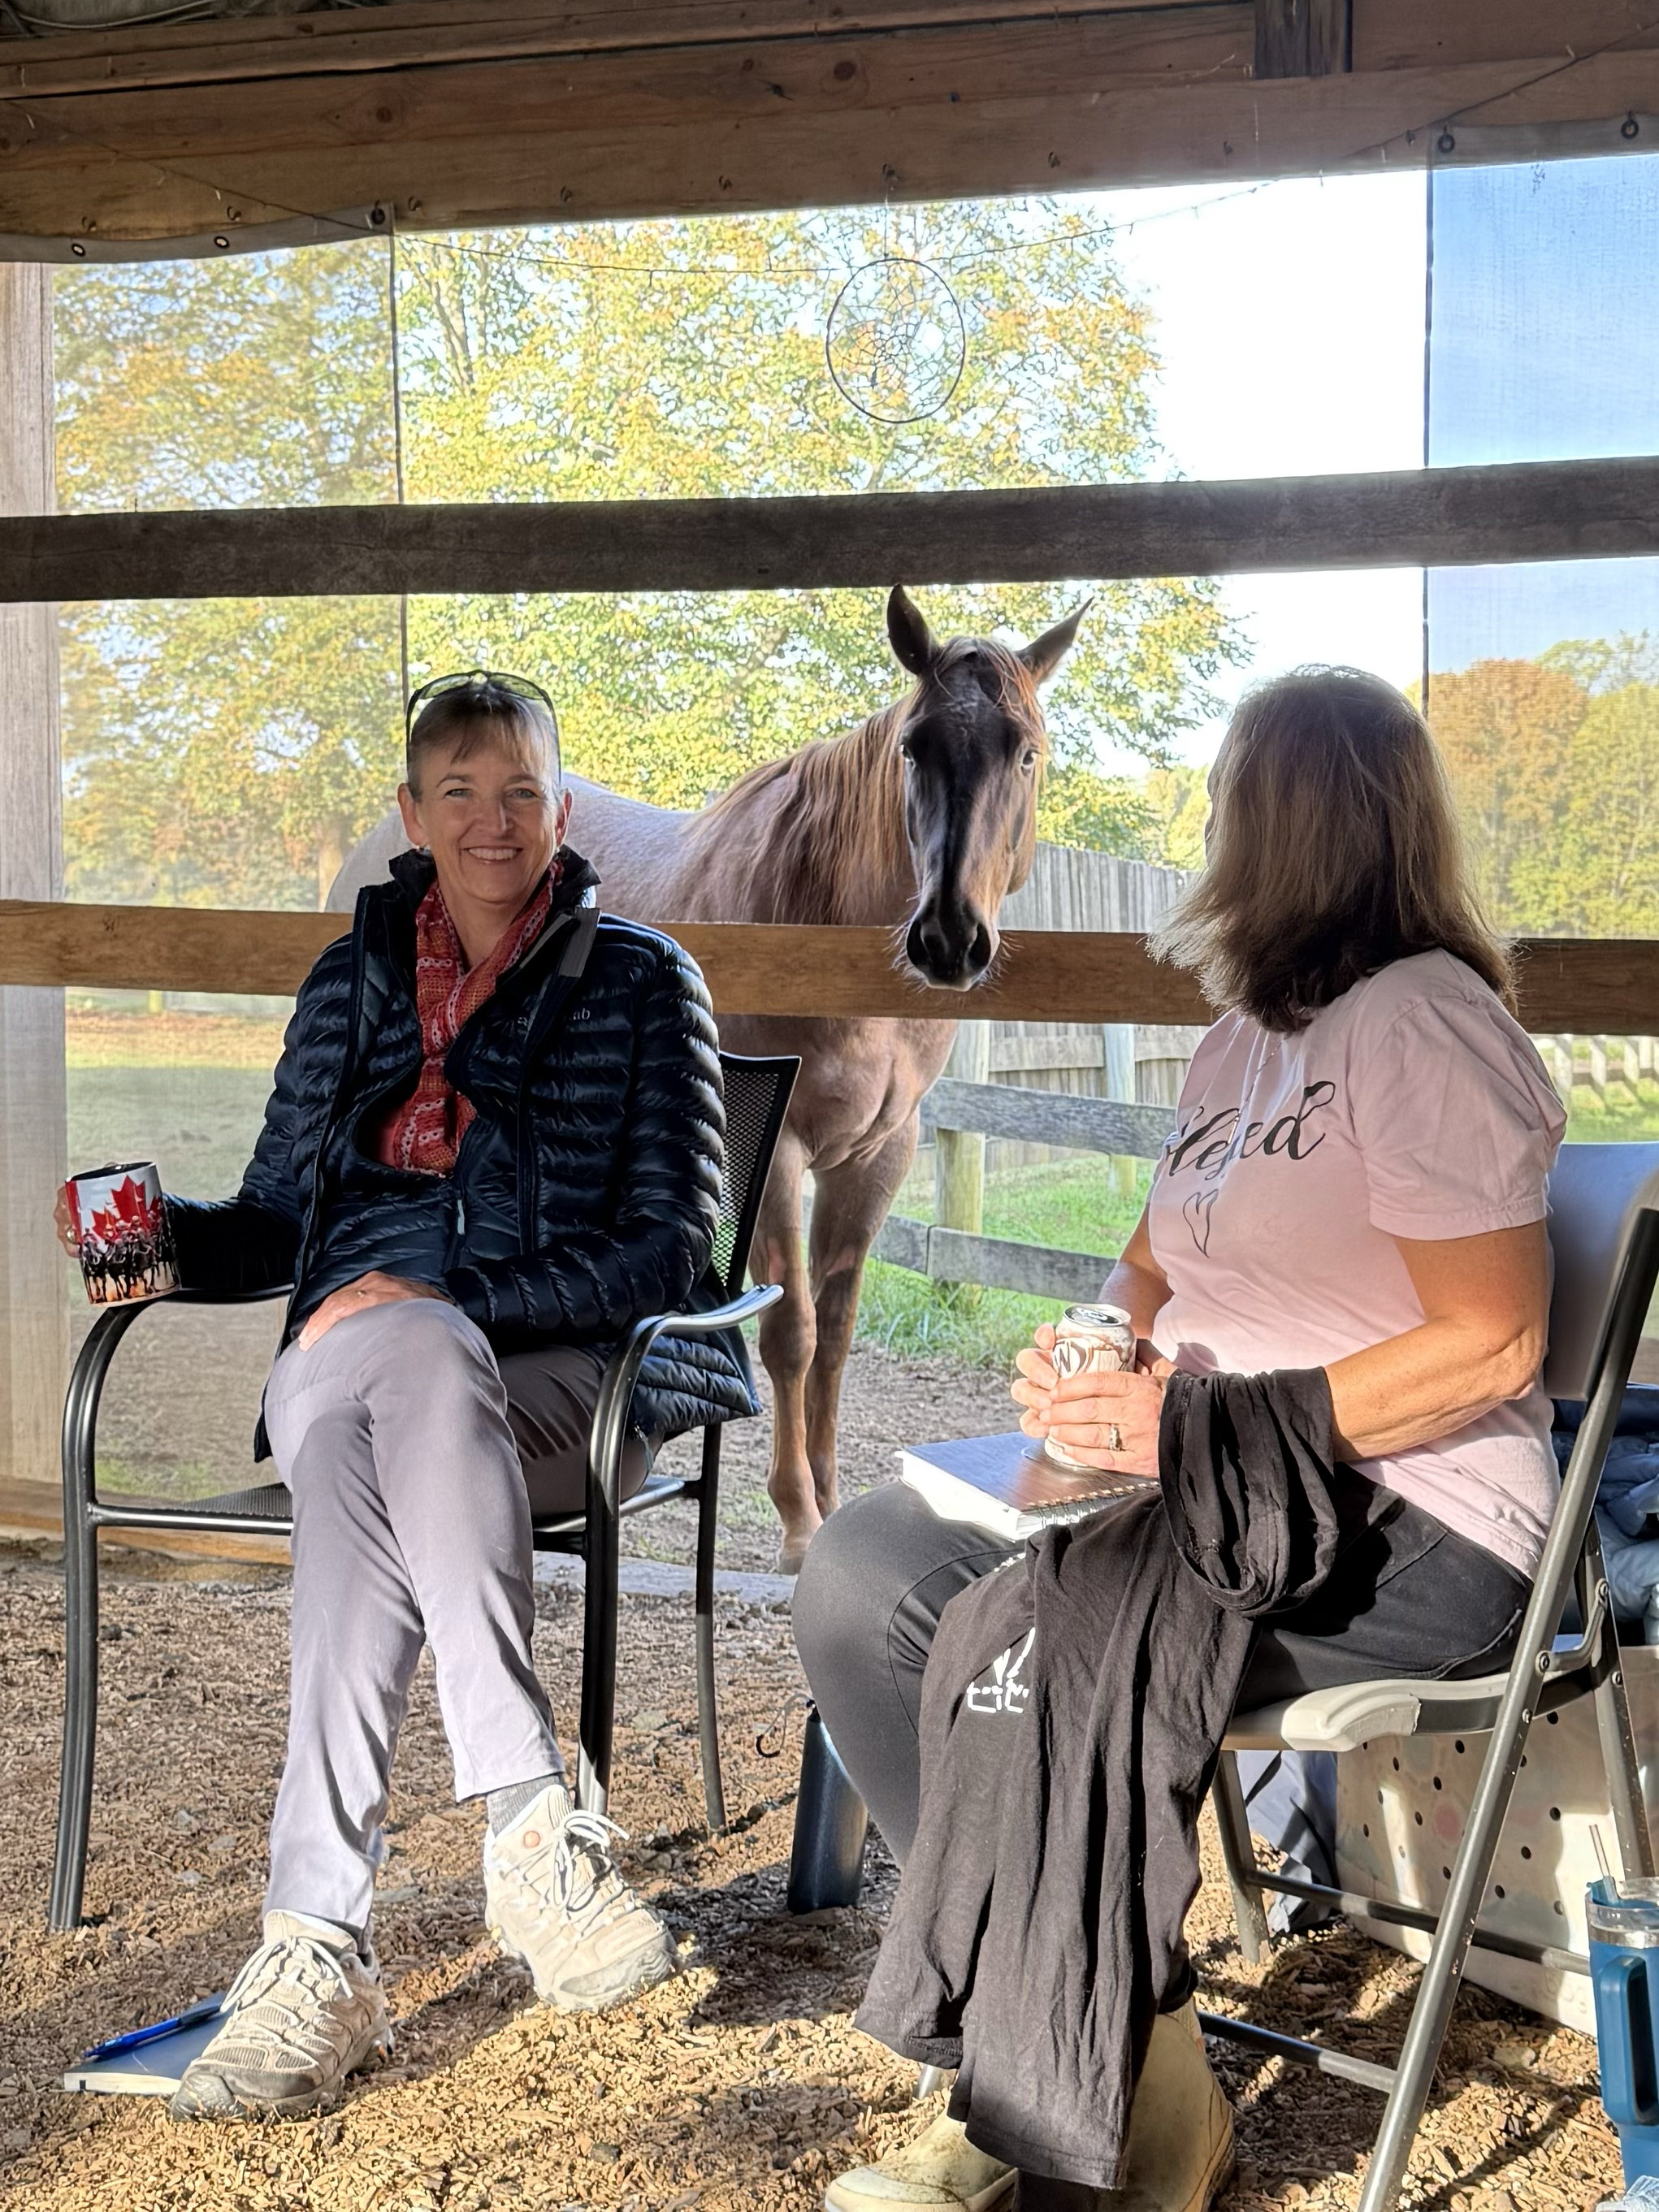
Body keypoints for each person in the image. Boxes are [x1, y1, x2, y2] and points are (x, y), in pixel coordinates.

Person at [794, 667, 1565, 2212]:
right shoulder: (1245, 1037)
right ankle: (1099, 2056)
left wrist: (1199, 1422)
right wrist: (1101, 1344)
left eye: (1225, 803)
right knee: (859, 1570)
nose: (1205, 829)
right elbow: (1154, 1252)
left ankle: (1058, 2110)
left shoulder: (1426, 1024)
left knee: (1023, 1636)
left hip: (1407, 1513)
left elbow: (1494, 1338)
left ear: (1292, 827)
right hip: (1207, 1472)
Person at [56, 671, 754, 2121]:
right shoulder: (347, 978)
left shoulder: (643, 979)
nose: (492, 821)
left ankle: (313, 1945)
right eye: (460, 792)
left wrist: (460, 1302)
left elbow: (670, 1247)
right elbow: (268, 1217)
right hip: (340, 1358)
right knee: (379, 1372)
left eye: (519, 792)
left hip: (562, 1373)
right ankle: (528, 1823)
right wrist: (160, 1243)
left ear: (561, 808)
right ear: (413, 813)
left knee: (400, 1386)